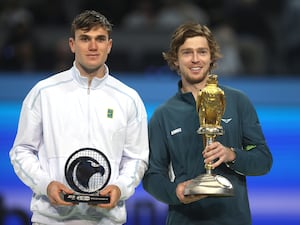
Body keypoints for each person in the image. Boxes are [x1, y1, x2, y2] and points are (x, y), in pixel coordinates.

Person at [9, 10, 149, 225]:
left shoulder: (128, 99)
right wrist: (45, 184)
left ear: (109, 45)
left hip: (106, 220)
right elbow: (21, 151)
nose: (93, 46)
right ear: (72, 45)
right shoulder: (44, 93)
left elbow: (136, 158)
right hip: (51, 219)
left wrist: (120, 188)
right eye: (85, 39)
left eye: (100, 39)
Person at [142, 22, 273, 225]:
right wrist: (175, 192)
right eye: (187, 53)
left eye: (202, 52)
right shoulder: (163, 115)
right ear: (175, 60)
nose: (195, 59)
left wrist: (232, 155)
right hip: (185, 219)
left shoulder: (238, 101)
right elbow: (152, 175)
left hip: (233, 219)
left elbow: (263, 160)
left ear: (211, 57)